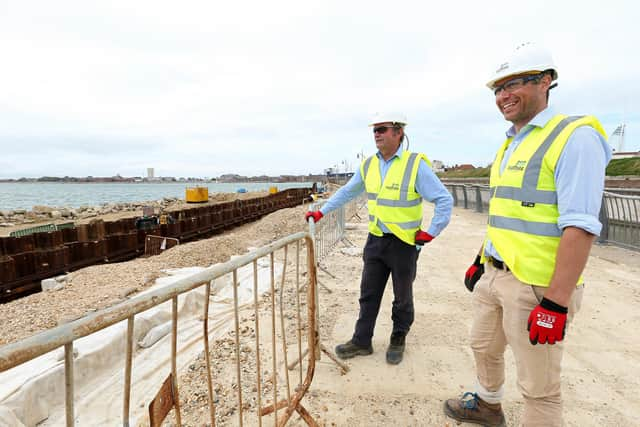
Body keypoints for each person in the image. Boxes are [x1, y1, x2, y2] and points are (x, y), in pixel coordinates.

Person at [443, 43, 611, 427]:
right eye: (498, 89)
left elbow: (581, 226)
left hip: (538, 286)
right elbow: (506, 213)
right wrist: (479, 259)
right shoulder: (511, 142)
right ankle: (487, 406)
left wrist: (555, 303)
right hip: (495, 273)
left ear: (546, 81)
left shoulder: (574, 137)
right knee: (484, 347)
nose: (504, 95)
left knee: (540, 388)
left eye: (515, 83)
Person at [305, 112, 453, 365]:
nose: (377, 134)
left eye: (383, 129)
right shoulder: (368, 165)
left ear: (399, 133)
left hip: (404, 243)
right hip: (375, 240)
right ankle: (362, 340)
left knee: (402, 296)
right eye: (375, 130)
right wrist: (321, 211)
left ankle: (398, 337)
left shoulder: (415, 165)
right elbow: (347, 192)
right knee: (368, 293)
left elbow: (444, 199)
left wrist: (430, 232)